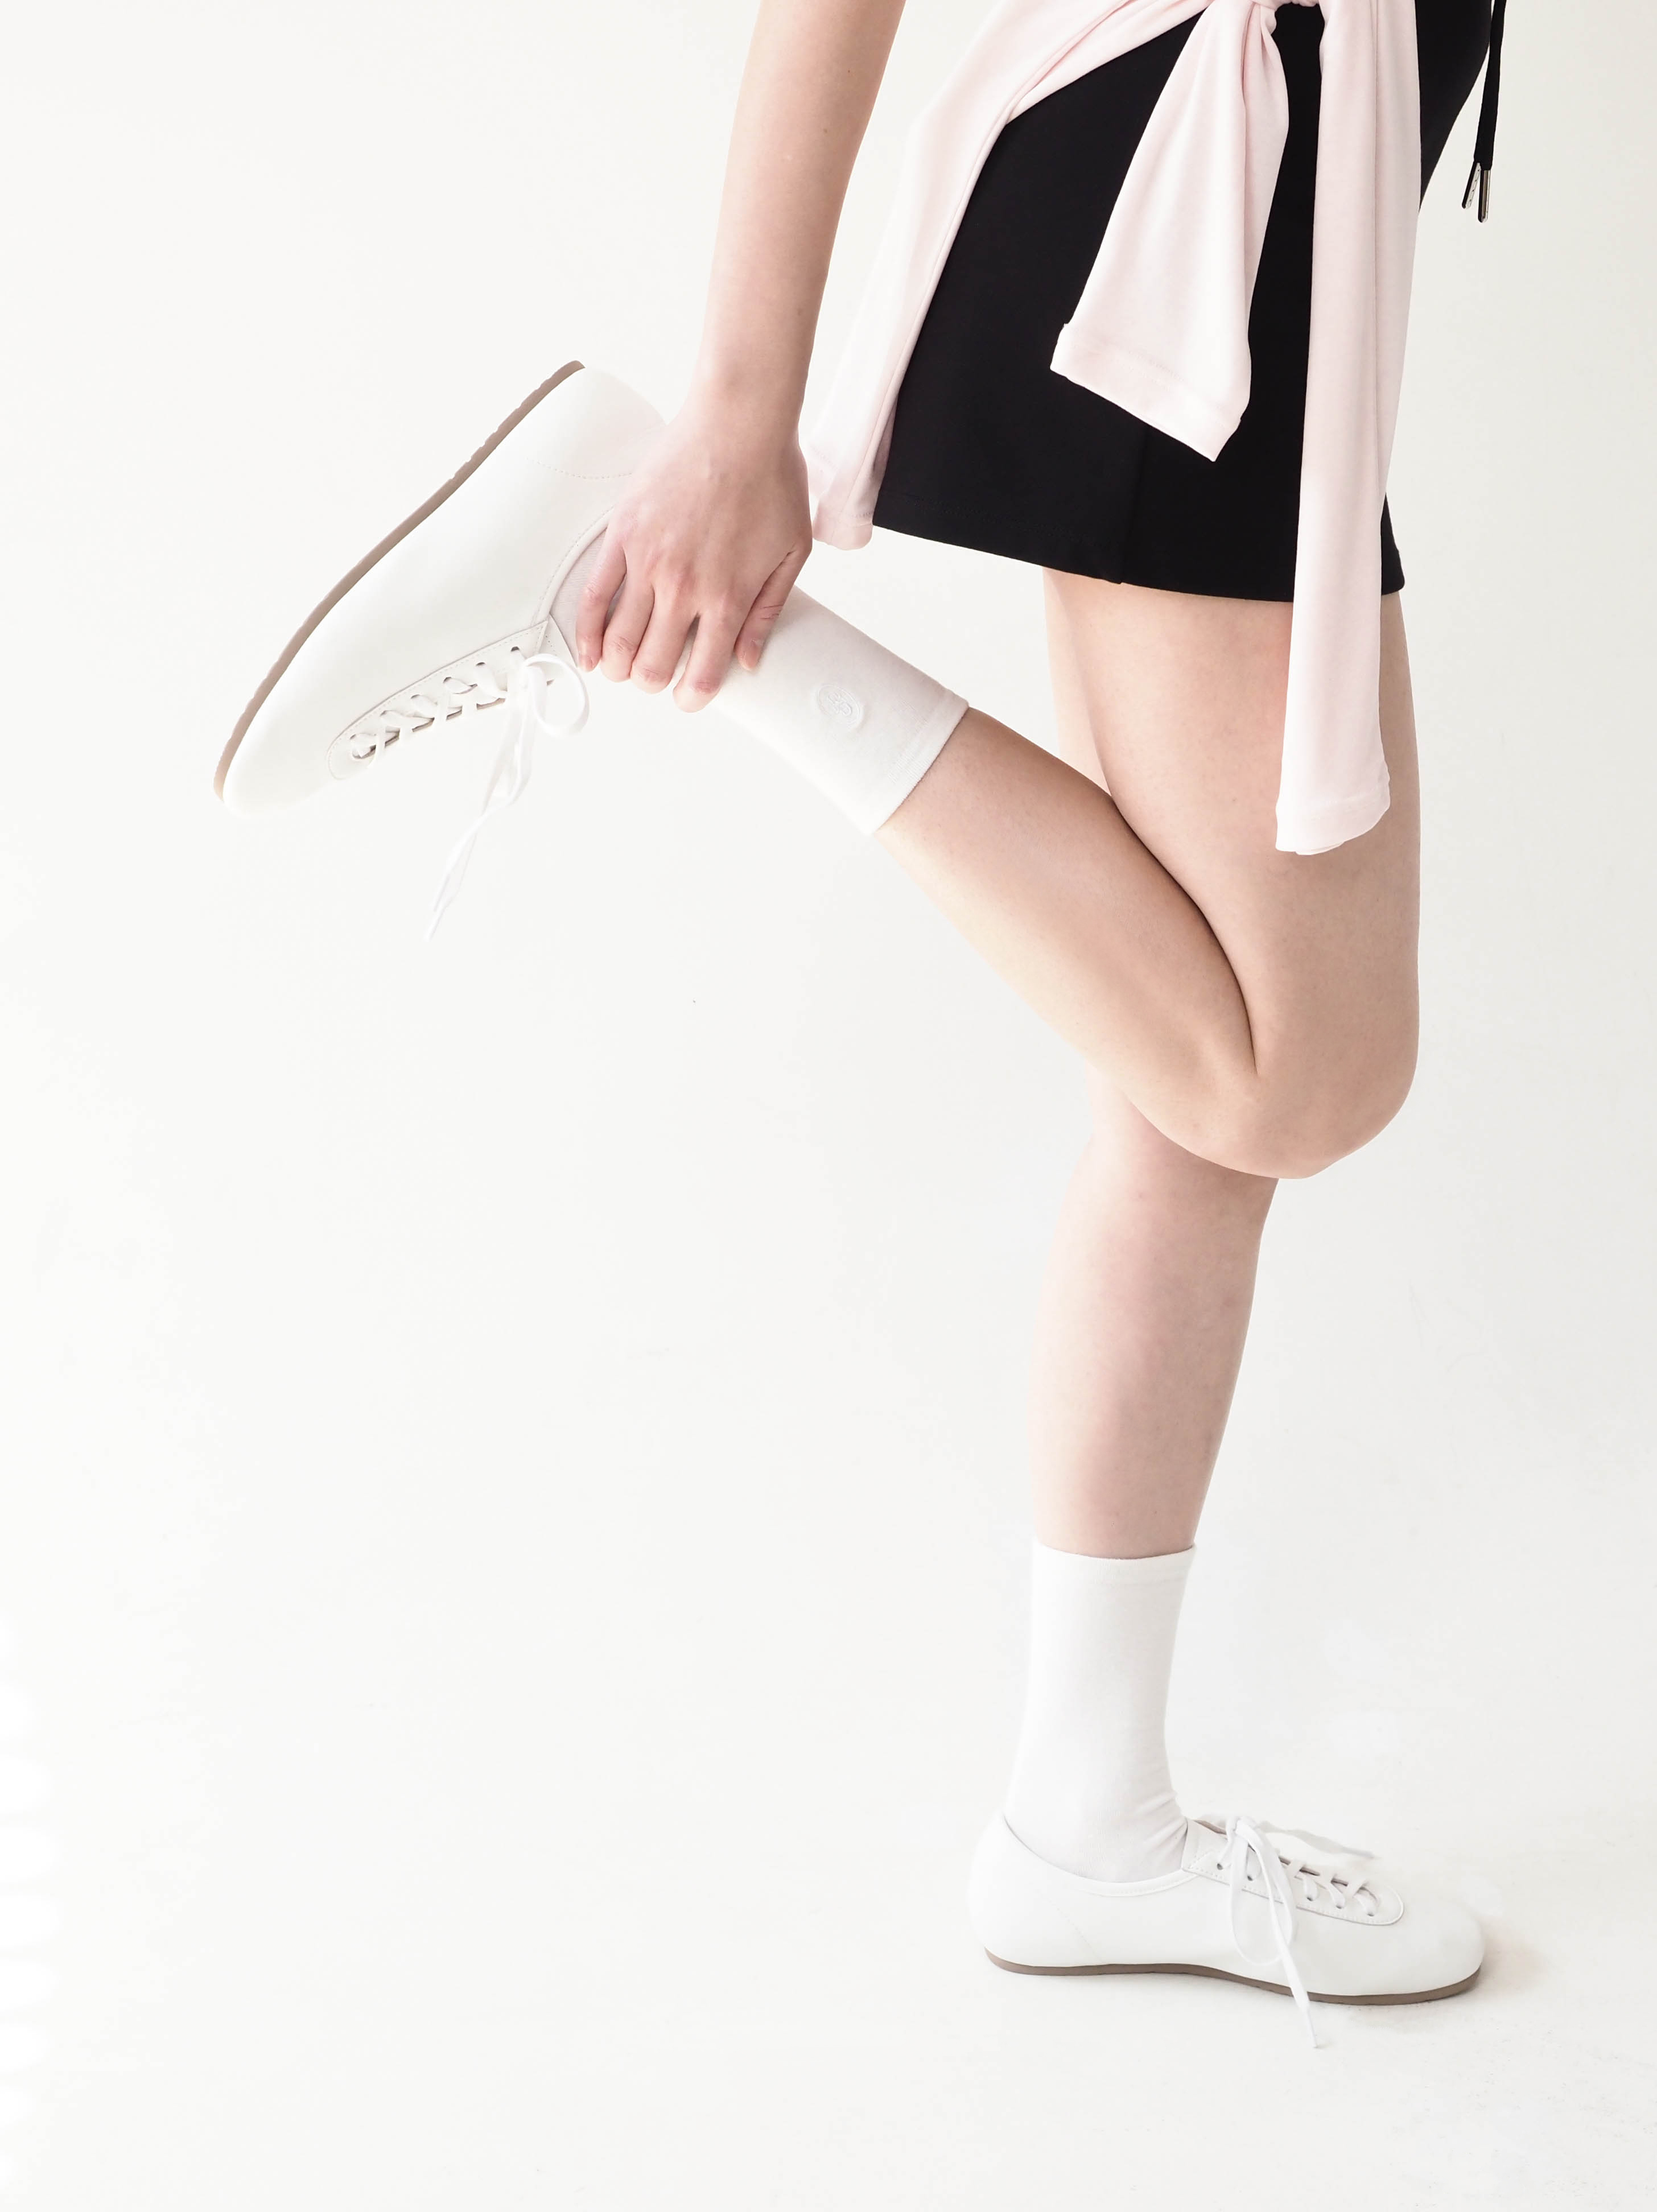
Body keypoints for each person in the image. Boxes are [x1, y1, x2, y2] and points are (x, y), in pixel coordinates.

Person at [217, 0, 1509, 2044]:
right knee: (1292, 1071)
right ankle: (692, 621)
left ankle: (1088, 1821)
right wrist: (741, 411)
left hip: (1249, 218)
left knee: (1188, 1076)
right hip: (1198, 212)